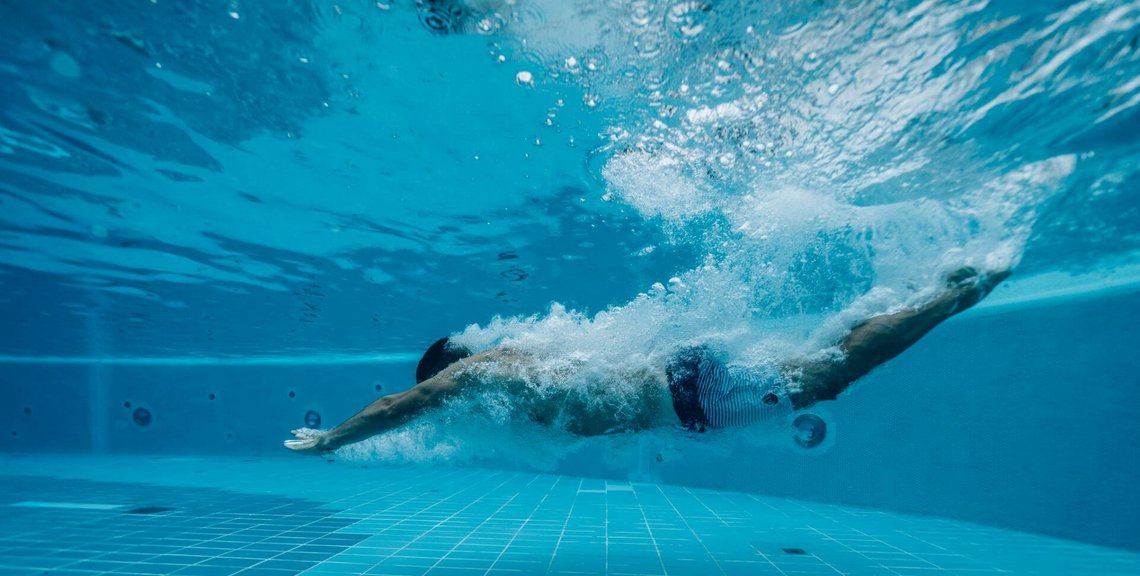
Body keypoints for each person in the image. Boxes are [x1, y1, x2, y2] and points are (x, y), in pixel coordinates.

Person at [285, 266, 1009, 454]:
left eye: (443, 383)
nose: (451, 395)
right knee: (821, 368)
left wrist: (331, 440)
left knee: (831, 377)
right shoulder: (515, 362)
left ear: (450, 366)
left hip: (689, 396)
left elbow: (395, 408)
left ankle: (949, 296)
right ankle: (927, 297)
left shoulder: (479, 374)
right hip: (685, 377)